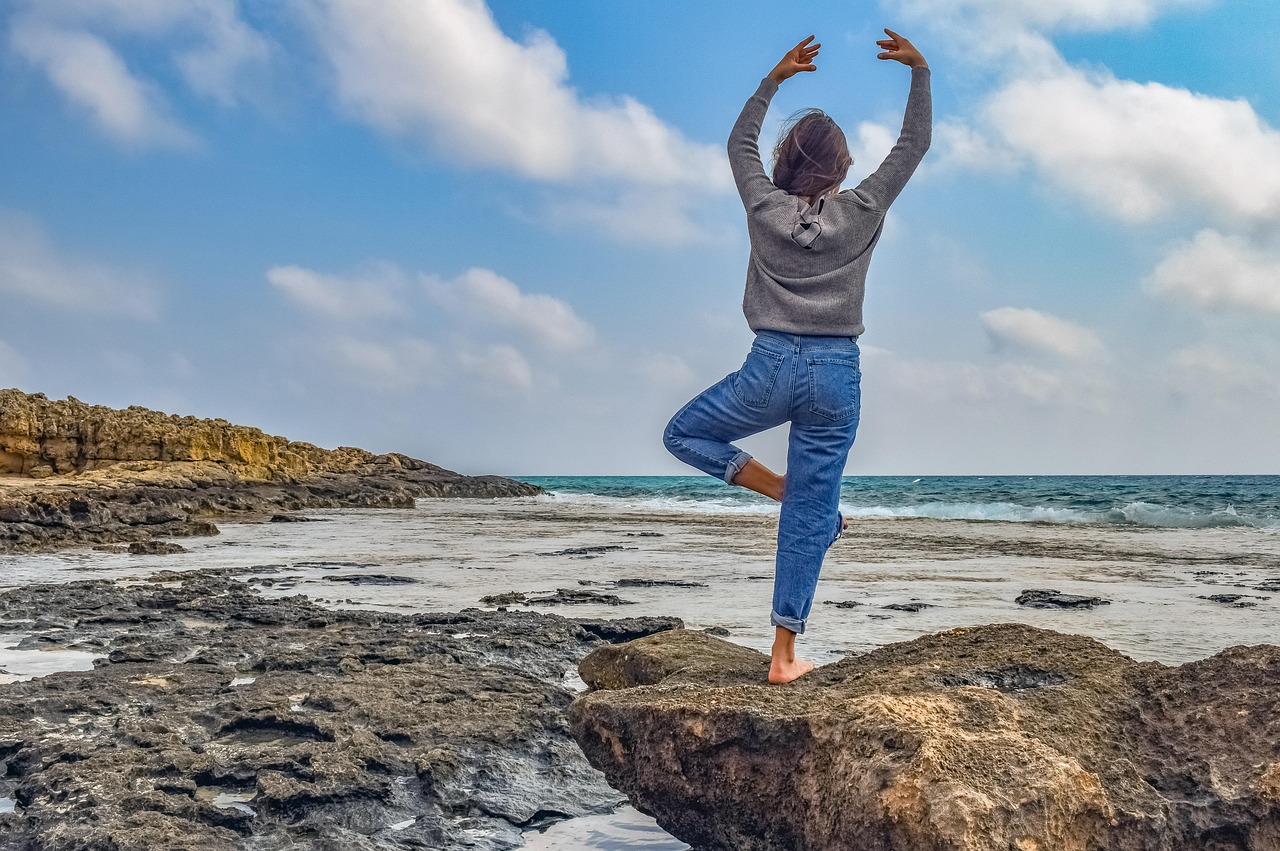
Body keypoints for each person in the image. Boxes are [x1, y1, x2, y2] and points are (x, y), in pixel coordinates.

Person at [662, 30, 931, 683]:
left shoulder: (762, 204)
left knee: (683, 432)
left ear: (788, 162)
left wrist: (774, 80)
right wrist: (919, 71)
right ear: (839, 171)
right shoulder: (863, 208)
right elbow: (912, 146)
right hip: (836, 372)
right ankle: (784, 655)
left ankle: (783, 492)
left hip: (770, 364)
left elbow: (737, 145)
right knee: (811, 506)